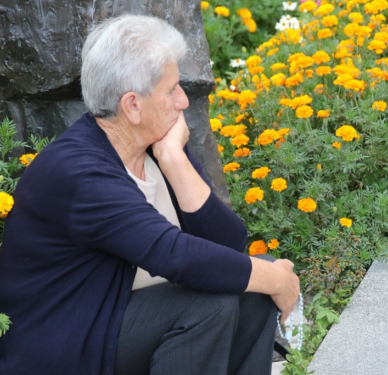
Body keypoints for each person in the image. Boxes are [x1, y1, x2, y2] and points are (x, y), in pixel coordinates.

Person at [0, 14, 299, 375]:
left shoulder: (157, 144)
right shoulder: (78, 173)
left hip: (125, 320)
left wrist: (175, 161)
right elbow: (172, 254)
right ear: (133, 105)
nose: (183, 101)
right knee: (208, 305)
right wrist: (280, 280)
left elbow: (229, 247)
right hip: (72, 344)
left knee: (252, 280)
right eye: (172, 89)